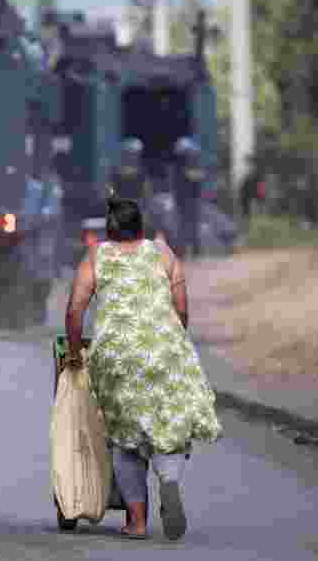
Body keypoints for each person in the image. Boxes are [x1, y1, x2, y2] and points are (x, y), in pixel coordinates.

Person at [64, 193, 222, 541]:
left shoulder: (96, 256)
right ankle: (170, 480)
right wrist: (171, 343)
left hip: (117, 354)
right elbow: (181, 310)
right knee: (169, 424)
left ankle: (136, 522)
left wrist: (75, 354)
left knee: (125, 440)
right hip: (165, 349)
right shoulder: (163, 253)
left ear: (108, 231)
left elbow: (75, 312)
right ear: (141, 228)